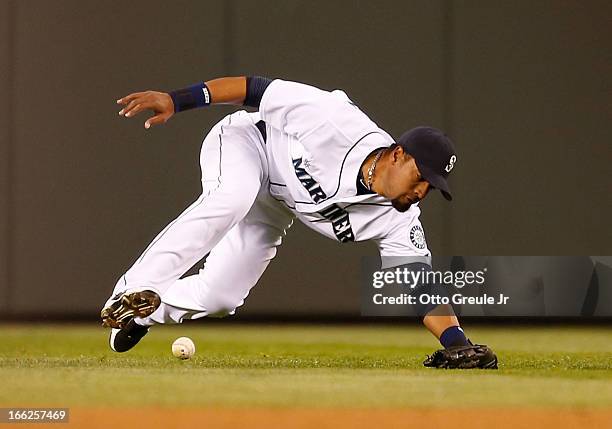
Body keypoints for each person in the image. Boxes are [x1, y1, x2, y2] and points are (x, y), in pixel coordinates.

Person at [101, 76, 497, 369]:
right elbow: (254, 88)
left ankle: (137, 314)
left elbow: (416, 284)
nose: (422, 190)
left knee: (222, 296)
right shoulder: (335, 121)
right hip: (249, 145)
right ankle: (135, 288)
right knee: (230, 198)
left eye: (432, 186)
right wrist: (176, 100)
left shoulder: (396, 218)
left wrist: (456, 341)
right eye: (420, 176)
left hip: (276, 203)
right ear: (397, 155)